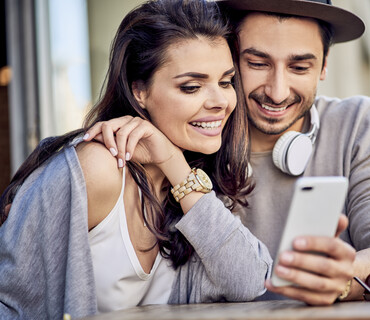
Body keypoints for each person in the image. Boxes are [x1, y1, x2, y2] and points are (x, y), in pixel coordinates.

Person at [78, 0, 370, 305]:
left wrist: (345, 276)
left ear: (324, 66)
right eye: (258, 63)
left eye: (300, 67)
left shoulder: (358, 124)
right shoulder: (192, 137)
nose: (277, 92)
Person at [0, 0, 272, 318]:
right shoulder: (99, 168)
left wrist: (173, 163)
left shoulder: (193, 177)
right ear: (139, 90)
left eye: (226, 82)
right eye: (192, 87)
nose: (220, 102)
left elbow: (250, 281)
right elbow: (10, 301)